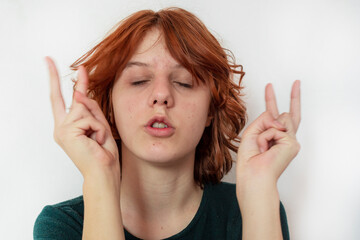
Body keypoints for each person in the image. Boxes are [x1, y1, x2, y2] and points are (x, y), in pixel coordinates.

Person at [34, 7, 300, 240]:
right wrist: (99, 176)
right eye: (139, 80)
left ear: (211, 110)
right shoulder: (63, 225)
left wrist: (260, 186)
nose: (161, 95)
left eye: (184, 82)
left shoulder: (254, 204)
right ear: (109, 109)